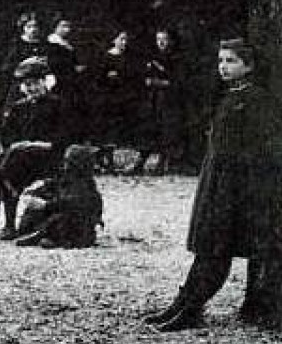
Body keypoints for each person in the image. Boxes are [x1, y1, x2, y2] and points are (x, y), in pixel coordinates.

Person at [143, 40, 282, 333]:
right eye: (221, 60)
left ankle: (193, 306)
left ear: (249, 66)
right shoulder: (229, 96)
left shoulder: (256, 100)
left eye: (231, 61)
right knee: (208, 246)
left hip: (237, 187)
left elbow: (260, 148)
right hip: (218, 181)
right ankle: (184, 302)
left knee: (216, 247)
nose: (224, 66)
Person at [0, 57, 69, 238]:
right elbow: (7, 135)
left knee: (8, 165)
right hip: (21, 158)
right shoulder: (19, 107)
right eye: (28, 85)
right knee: (12, 165)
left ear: (46, 82)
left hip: (49, 155)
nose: (32, 89)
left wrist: (39, 144)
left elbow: (65, 134)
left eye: (36, 84)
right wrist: (18, 145)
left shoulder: (58, 104)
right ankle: (8, 224)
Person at [12, 144, 104, 250]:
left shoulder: (84, 184)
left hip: (79, 227)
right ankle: (40, 233)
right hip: (72, 223)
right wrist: (34, 193)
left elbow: (71, 203)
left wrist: (45, 205)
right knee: (38, 207)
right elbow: (51, 186)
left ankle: (46, 236)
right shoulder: (66, 177)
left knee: (62, 216)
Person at [132, 28, 187, 175]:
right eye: (158, 39)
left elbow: (178, 81)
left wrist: (160, 82)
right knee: (149, 129)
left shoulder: (177, 58)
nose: (161, 42)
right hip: (153, 100)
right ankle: (141, 161)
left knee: (167, 131)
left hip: (169, 100)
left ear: (170, 41)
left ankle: (164, 162)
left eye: (164, 39)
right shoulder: (153, 57)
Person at [93, 31, 144, 171]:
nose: (124, 42)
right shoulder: (105, 57)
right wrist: (108, 77)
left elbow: (134, 76)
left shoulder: (129, 58)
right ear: (114, 40)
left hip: (125, 96)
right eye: (121, 39)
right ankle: (104, 159)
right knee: (107, 128)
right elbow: (98, 78)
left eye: (126, 40)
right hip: (109, 97)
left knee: (119, 128)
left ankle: (122, 159)